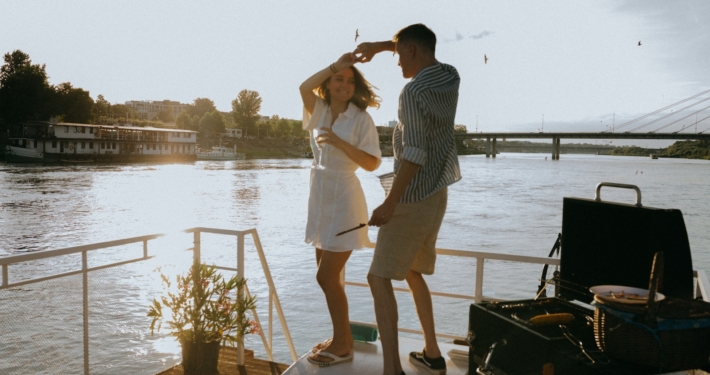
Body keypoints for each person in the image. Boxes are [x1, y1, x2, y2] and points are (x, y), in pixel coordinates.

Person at [355, 23, 461, 375]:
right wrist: (383, 45)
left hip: (412, 196)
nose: (397, 61)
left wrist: (389, 204)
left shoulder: (412, 93)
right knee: (413, 271)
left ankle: (391, 370)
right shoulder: (450, 76)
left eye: (399, 54)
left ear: (413, 51)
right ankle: (432, 354)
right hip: (437, 193)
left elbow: (413, 153)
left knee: (378, 277)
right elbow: (417, 43)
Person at [299, 52, 383, 366]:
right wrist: (336, 63)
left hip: (346, 199)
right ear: (329, 82)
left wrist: (338, 141)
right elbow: (303, 87)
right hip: (320, 198)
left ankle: (343, 343)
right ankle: (341, 337)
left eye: (350, 80)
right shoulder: (318, 108)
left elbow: (373, 163)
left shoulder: (361, 118)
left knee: (326, 276)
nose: (344, 85)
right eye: (339, 78)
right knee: (329, 277)